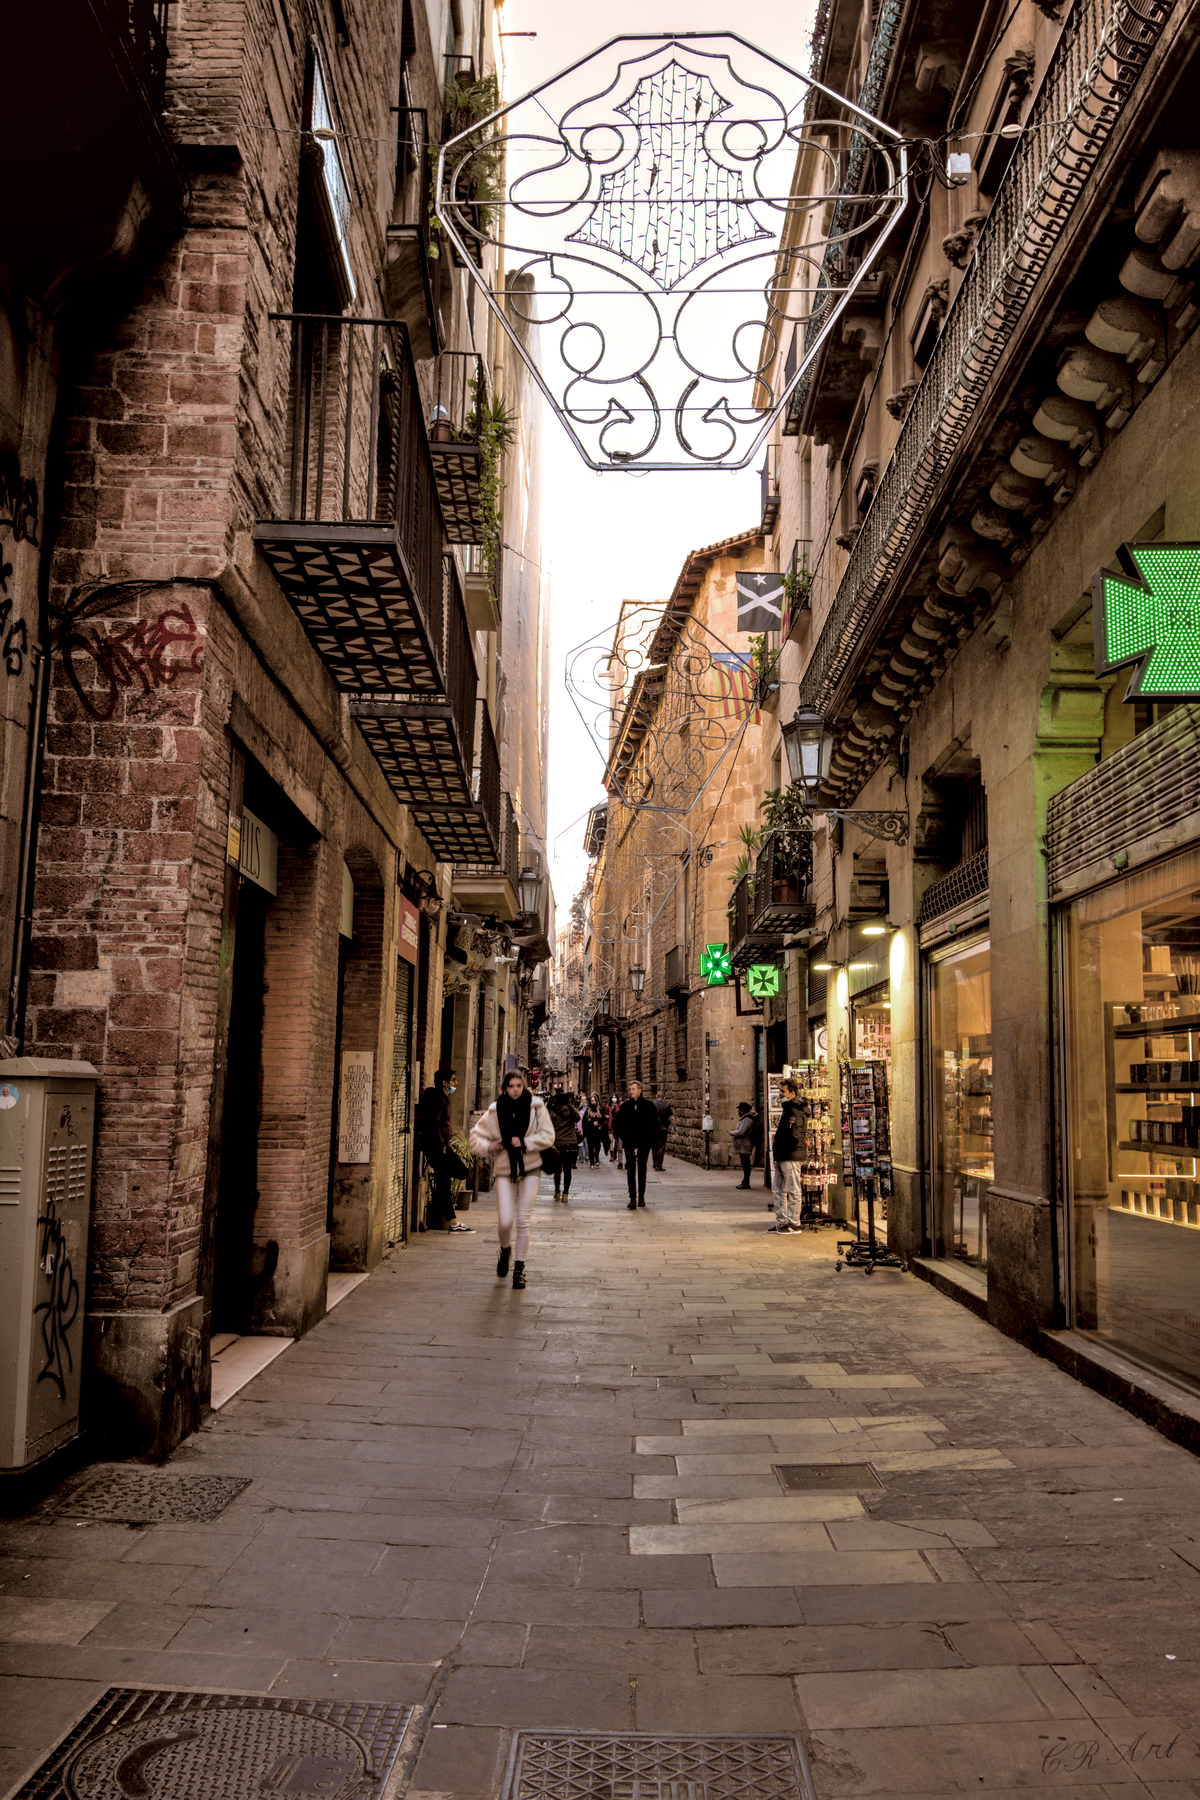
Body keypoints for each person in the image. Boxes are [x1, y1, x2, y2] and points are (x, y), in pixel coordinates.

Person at [469, 1070, 555, 1288]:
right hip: (505, 1171)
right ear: (504, 1088)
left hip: (531, 1169)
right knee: (505, 1221)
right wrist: (490, 1146)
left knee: (523, 1220)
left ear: (523, 1086)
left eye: (518, 1085)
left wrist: (525, 1143)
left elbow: (548, 1135)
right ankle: (505, 1248)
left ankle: (520, 1268)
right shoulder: (495, 1110)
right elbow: (475, 1137)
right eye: (511, 1086)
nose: (515, 1090)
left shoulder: (536, 1107)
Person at [416, 1068, 472, 1233]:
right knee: (462, 1172)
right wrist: (441, 1147)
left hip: (440, 1147)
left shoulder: (441, 1098)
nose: (456, 1083)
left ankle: (454, 1222)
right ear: (444, 1082)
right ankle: (453, 1222)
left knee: (444, 1185)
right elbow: (433, 1124)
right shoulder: (438, 1100)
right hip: (439, 1148)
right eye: (453, 1080)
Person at [615, 1080, 659, 1209]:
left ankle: (641, 1197)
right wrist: (623, 1136)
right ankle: (632, 1197)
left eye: (633, 1089)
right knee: (631, 1171)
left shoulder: (648, 1106)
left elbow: (653, 1124)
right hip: (629, 1142)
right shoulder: (625, 1106)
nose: (631, 1091)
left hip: (643, 1143)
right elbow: (618, 1123)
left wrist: (650, 1140)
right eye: (630, 1089)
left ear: (640, 1090)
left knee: (642, 1169)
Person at [771, 1078, 805, 1233]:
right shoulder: (788, 1109)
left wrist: (781, 1145)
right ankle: (782, 1221)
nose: (780, 1094)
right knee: (778, 1189)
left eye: (783, 1091)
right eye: (779, 1091)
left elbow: (794, 1136)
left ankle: (794, 1222)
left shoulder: (795, 1111)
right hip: (782, 1154)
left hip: (790, 1155)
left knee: (792, 1189)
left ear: (792, 1093)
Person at [548, 1089, 581, 1201]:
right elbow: (578, 1119)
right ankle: (565, 1194)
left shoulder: (553, 1113)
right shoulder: (572, 1111)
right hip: (571, 1143)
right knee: (568, 1170)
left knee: (557, 1170)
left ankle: (557, 1191)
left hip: (558, 1143)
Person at [731, 1101, 758, 1189]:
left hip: (745, 1144)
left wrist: (732, 1133)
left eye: (739, 1110)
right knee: (745, 1163)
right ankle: (745, 1181)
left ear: (742, 1111)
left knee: (746, 1164)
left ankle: (746, 1182)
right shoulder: (746, 1118)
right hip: (743, 1144)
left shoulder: (747, 1119)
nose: (738, 1112)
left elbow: (742, 1132)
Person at [652, 1093, 673, 1171]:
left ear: (657, 1096)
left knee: (654, 1146)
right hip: (663, 1128)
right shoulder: (666, 1106)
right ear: (664, 1097)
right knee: (661, 1146)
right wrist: (675, 1126)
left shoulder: (652, 1105)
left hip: (653, 1129)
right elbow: (671, 1118)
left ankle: (654, 1163)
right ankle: (659, 1164)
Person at [583, 1097, 604, 1166]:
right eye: (592, 1101)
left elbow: (603, 1120)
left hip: (598, 1131)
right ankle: (592, 1161)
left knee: (598, 1146)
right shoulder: (587, 1111)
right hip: (590, 1131)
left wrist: (598, 1123)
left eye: (594, 1100)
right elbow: (585, 1122)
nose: (593, 1102)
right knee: (590, 1147)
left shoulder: (599, 1109)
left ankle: (597, 1157)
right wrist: (591, 1123)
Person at [607, 1094, 623, 1169]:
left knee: (617, 1142)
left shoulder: (618, 1107)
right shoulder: (608, 1106)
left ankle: (616, 1152)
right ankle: (612, 1155)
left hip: (617, 1126)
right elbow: (605, 1113)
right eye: (612, 1098)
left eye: (615, 1098)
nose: (614, 1099)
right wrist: (606, 1116)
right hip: (610, 1125)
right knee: (610, 1140)